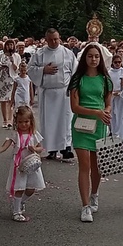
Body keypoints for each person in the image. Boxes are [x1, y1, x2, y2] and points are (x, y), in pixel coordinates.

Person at [68, 44, 113, 223]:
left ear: (100, 58)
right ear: (84, 58)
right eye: (90, 56)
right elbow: (74, 107)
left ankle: (94, 193)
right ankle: (85, 206)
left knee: (97, 166)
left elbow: (108, 102)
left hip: (100, 125)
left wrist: (107, 111)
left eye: (96, 56)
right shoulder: (77, 79)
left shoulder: (105, 79)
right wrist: (96, 112)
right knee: (84, 166)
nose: (93, 59)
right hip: (82, 124)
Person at [0, 106, 45, 222]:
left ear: (31, 121)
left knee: (31, 189)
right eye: (20, 122)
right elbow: (3, 147)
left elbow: (41, 148)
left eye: (26, 121)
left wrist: (35, 148)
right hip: (19, 165)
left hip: (31, 163)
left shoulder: (34, 134)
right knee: (20, 188)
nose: (23, 124)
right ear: (16, 122)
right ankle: (17, 211)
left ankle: (20, 202)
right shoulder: (14, 134)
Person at [27, 29, 78, 161]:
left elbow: (75, 72)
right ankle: (51, 149)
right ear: (46, 39)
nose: (54, 42)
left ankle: (66, 147)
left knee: (65, 120)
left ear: (59, 38)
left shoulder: (68, 53)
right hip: (47, 92)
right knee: (49, 122)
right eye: (51, 39)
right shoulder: (39, 53)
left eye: (56, 39)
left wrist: (73, 89)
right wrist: (43, 70)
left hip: (64, 92)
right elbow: (30, 69)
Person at [0, 40, 22, 129]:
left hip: (12, 80)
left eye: (11, 44)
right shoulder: (0, 55)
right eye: (8, 45)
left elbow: (17, 69)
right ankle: (5, 120)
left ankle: (10, 120)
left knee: (11, 100)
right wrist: (0, 67)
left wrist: (13, 61)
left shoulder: (16, 56)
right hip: (3, 79)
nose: (9, 46)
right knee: (3, 100)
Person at [108, 54, 123, 140]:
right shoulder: (109, 73)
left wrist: (122, 92)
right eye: (115, 62)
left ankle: (122, 136)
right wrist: (112, 92)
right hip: (112, 97)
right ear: (112, 63)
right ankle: (114, 134)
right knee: (113, 116)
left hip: (122, 98)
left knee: (121, 115)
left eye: (119, 62)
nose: (117, 64)